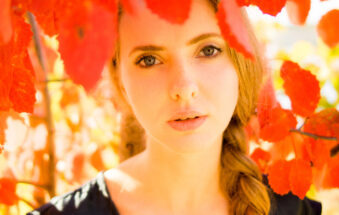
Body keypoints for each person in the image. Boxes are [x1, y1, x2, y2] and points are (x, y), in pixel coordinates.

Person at [27, 0, 322, 214]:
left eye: (208, 50)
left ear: (241, 61)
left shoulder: (295, 211)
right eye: (149, 60)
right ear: (119, 77)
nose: (183, 88)